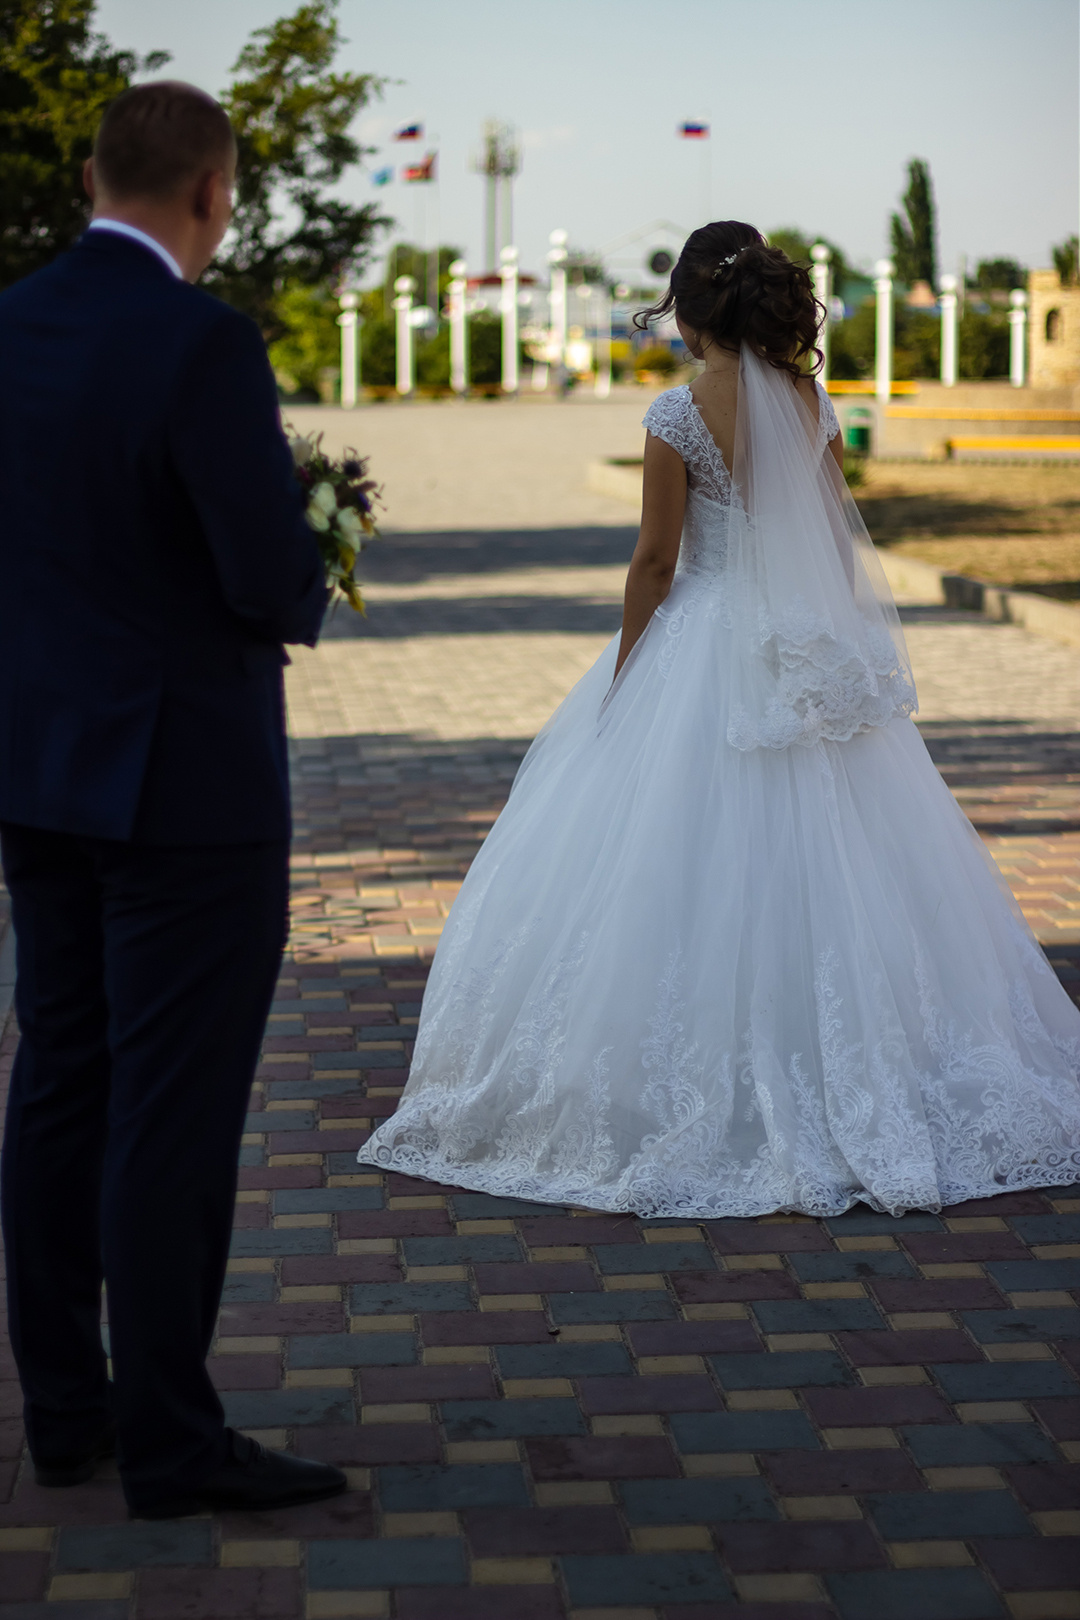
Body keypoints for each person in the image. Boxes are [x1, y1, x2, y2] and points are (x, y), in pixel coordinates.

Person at [359, 221, 1080, 1218]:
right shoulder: (808, 399)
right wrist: (825, 647)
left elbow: (657, 560)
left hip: (698, 644)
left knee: (671, 859)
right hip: (800, 650)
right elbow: (832, 538)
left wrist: (626, 672)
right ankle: (865, 1063)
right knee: (844, 860)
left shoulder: (676, 410)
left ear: (688, 308)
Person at [0, 82, 344, 1518]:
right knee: (171, 1114)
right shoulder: (203, 344)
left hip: (34, 767)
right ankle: (171, 1440)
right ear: (212, 193)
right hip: (185, 792)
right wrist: (318, 541)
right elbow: (270, 579)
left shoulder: (8, 323)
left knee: (57, 1078)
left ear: (91, 175)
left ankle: (63, 1418)